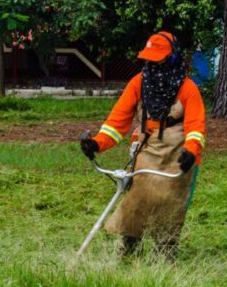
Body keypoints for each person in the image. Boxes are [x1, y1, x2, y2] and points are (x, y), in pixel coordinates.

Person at [80, 31, 206, 260]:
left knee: (169, 205)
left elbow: (196, 126)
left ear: (172, 59)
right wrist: (97, 143)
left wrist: (192, 150)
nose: (153, 65)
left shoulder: (188, 89)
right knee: (136, 202)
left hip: (178, 155)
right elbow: (116, 123)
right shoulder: (138, 84)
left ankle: (165, 256)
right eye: (150, 60)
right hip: (146, 152)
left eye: (159, 60)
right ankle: (128, 252)